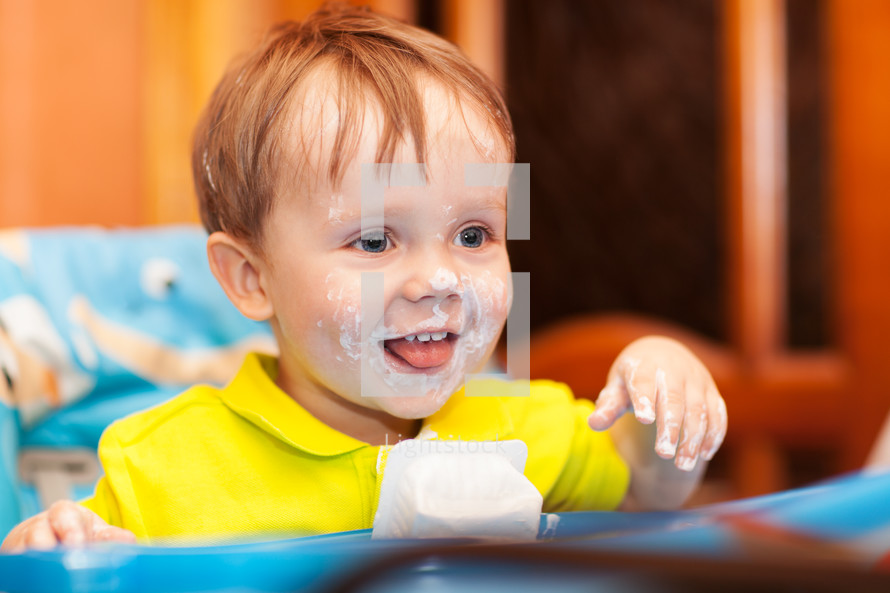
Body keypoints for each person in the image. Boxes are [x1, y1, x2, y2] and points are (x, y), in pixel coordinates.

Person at [1, 2, 726, 550]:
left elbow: (645, 499)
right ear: (251, 278)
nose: (440, 277)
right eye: (376, 239)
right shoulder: (165, 467)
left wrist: (667, 412)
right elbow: (59, 565)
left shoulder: (522, 426)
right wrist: (56, 548)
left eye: (473, 233)